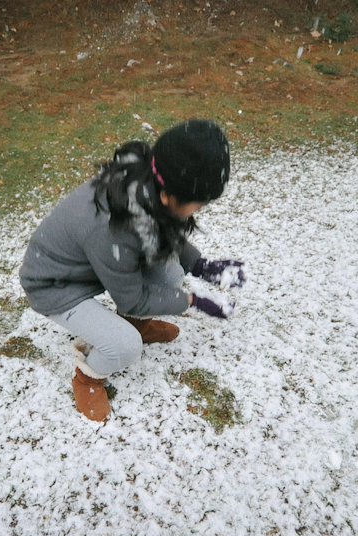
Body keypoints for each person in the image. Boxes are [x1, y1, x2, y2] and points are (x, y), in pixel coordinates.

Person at [18, 119, 246, 422]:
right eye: (198, 203)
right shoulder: (112, 229)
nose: (199, 210)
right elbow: (133, 299)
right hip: (55, 286)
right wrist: (193, 302)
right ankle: (87, 378)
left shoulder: (148, 180)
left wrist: (199, 265)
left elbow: (165, 229)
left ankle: (137, 325)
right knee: (124, 347)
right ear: (168, 195)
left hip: (94, 266)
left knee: (171, 275)